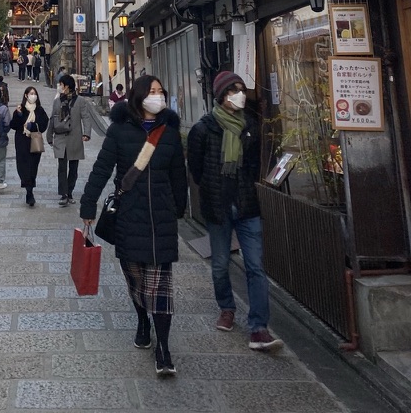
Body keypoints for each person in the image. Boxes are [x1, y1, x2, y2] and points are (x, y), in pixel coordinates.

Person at [80, 76, 187, 374]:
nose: (158, 96)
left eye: (160, 92)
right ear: (139, 97)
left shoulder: (170, 132)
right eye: (152, 92)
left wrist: (180, 206)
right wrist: (88, 205)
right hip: (128, 214)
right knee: (136, 280)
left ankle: (164, 349)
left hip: (161, 217)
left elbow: (179, 173)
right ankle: (142, 317)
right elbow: (102, 168)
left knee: (161, 286)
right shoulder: (119, 131)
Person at [187, 69, 283, 352]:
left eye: (241, 89)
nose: (239, 95)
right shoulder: (204, 129)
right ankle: (227, 308)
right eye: (232, 90)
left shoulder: (250, 127)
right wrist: (212, 190)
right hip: (218, 207)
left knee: (255, 266)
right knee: (219, 264)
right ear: (221, 96)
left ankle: (258, 327)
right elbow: (196, 168)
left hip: (247, 206)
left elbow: (254, 166)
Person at [46, 73, 91, 206]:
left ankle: (70, 191)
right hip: (60, 138)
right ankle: (63, 194)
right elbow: (52, 119)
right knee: (61, 167)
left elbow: (86, 117)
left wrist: (87, 133)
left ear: (67, 86)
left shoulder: (80, 101)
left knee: (73, 168)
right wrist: (49, 137)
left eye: (61, 85)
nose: (59, 87)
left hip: (74, 138)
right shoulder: (57, 101)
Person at [9, 85, 49, 206]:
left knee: (33, 166)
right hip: (22, 140)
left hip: (34, 140)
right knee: (23, 166)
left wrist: (33, 126)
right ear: (26, 95)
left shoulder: (40, 110)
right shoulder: (20, 109)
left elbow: (44, 125)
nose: (33, 95)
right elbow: (13, 125)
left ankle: (30, 188)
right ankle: (29, 190)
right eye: (30, 93)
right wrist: (19, 115)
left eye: (34, 93)